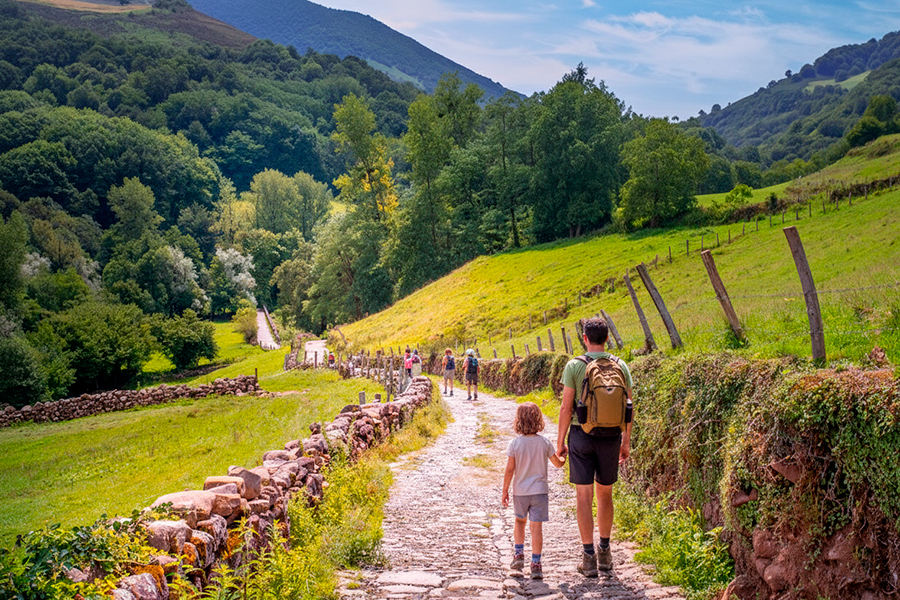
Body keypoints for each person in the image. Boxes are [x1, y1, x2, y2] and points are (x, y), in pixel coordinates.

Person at [556, 317, 633, 577]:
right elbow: (629, 407)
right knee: (605, 495)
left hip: (581, 434)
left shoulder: (574, 366)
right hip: (611, 436)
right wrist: (626, 441)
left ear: (585, 338)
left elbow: (566, 408)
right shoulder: (621, 365)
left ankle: (588, 557)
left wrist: (560, 443)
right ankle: (605, 553)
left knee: (583, 496)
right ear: (608, 339)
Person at [502, 402, 566, 580]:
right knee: (536, 528)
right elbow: (557, 463)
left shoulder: (515, 444)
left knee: (519, 522)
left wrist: (505, 490)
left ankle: (518, 554)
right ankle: (536, 564)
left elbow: (509, 470)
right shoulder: (544, 442)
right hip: (539, 492)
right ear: (538, 420)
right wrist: (563, 456)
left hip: (520, 491)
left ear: (518, 421)